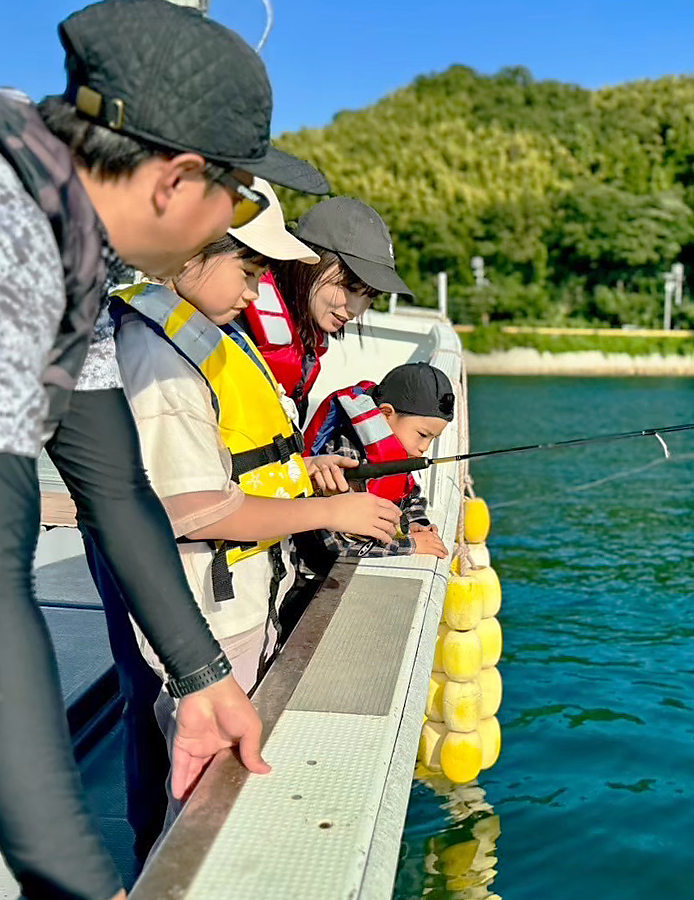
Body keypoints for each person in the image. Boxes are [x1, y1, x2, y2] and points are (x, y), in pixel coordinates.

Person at [0, 2, 328, 898]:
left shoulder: (75, 244)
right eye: (237, 191)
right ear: (176, 179)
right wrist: (72, 879)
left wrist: (202, 678)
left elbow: (114, 485)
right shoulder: (12, 238)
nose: (239, 223)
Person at [108, 179, 402, 834]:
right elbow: (194, 509)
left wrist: (305, 469)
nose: (252, 292)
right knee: (198, 792)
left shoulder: (208, 331)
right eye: (247, 269)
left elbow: (236, 454)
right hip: (202, 606)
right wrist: (329, 513)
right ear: (191, 250)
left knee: (190, 764)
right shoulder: (161, 350)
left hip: (230, 593)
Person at [242, 196, 413, 438]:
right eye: (350, 287)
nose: (356, 308)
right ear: (309, 261)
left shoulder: (304, 340)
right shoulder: (237, 316)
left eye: (370, 296)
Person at [307, 362, 453, 560]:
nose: (424, 447)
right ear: (385, 415)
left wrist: (415, 523)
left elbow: (409, 497)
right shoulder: (343, 458)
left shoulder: (397, 451)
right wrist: (409, 545)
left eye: (432, 438)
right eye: (422, 434)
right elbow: (334, 543)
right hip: (315, 574)